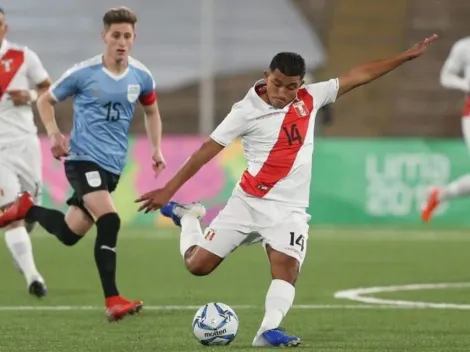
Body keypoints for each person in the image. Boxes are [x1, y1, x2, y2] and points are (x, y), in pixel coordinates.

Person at [135, 34, 438, 346]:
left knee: (287, 267)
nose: (282, 92)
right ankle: (189, 217)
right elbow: (205, 151)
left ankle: (267, 331)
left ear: (300, 84)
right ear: (267, 77)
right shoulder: (245, 110)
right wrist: (167, 190)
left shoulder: (310, 97)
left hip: (288, 210)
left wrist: (405, 56)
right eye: (277, 83)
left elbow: (358, 75)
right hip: (248, 203)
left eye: (290, 86)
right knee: (197, 267)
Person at [0, 7, 165, 321]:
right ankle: (113, 299)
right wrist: (53, 134)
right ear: (104, 36)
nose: (121, 41)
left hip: (113, 167)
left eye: (127, 36)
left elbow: (152, 111)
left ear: (134, 38)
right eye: (115, 35)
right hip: (82, 160)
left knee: (68, 233)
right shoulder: (84, 73)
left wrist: (156, 149)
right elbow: (45, 99)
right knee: (110, 220)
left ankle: (25, 209)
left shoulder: (141, 76)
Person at [0, 7, 51, 298]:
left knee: (30, 210)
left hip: (25, 143)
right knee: (11, 214)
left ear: (5, 27)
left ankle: (21, 252)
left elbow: (48, 88)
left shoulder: (23, 57)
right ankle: (34, 277)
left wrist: (30, 96)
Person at [422, 36, 470, 222]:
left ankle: (439, 196)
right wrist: (465, 84)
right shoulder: (464, 47)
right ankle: (439, 196)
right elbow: (446, 76)